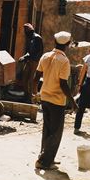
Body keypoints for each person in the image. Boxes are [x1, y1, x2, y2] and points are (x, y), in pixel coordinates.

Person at [34, 31, 74, 170]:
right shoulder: (64, 61)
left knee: (47, 129)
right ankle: (44, 161)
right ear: (67, 44)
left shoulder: (45, 56)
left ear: (55, 42)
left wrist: (35, 92)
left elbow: (37, 75)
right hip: (57, 101)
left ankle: (46, 157)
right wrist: (72, 101)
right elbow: (63, 84)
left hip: (45, 97)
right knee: (55, 133)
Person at [18, 23, 44, 101]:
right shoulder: (32, 38)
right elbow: (29, 51)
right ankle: (26, 96)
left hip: (34, 61)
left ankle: (31, 98)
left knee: (31, 80)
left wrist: (25, 57)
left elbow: (35, 51)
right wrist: (25, 57)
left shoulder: (37, 38)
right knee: (24, 78)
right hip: (29, 60)